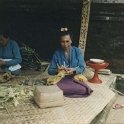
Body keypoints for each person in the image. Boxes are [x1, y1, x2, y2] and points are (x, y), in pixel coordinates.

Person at [48, 27, 93, 98]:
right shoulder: (57, 53)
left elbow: (82, 67)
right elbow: (50, 71)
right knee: (52, 87)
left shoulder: (77, 51)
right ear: (60, 42)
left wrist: (74, 70)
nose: (65, 44)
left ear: (71, 41)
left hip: (75, 78)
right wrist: (57, 70)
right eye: (62, 42)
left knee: (84, 89)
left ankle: (62, 92)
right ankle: (65, 91)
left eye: (67, 41)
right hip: (63, 78)